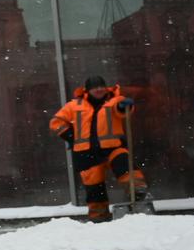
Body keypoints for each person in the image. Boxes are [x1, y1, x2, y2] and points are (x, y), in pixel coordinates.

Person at [51, 74, 146, 222]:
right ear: (87, 90)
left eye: (101, 86)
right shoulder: (74, 105)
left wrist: (123, 106)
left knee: (124, 165)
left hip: (113, 147)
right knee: (94, 187)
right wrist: (71, 136)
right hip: (85, 153)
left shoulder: (115, 100)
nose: (99, 90)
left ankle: (138, 192)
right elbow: (56, 122)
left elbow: (122, 109)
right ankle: (99, 217)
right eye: (95, 88)